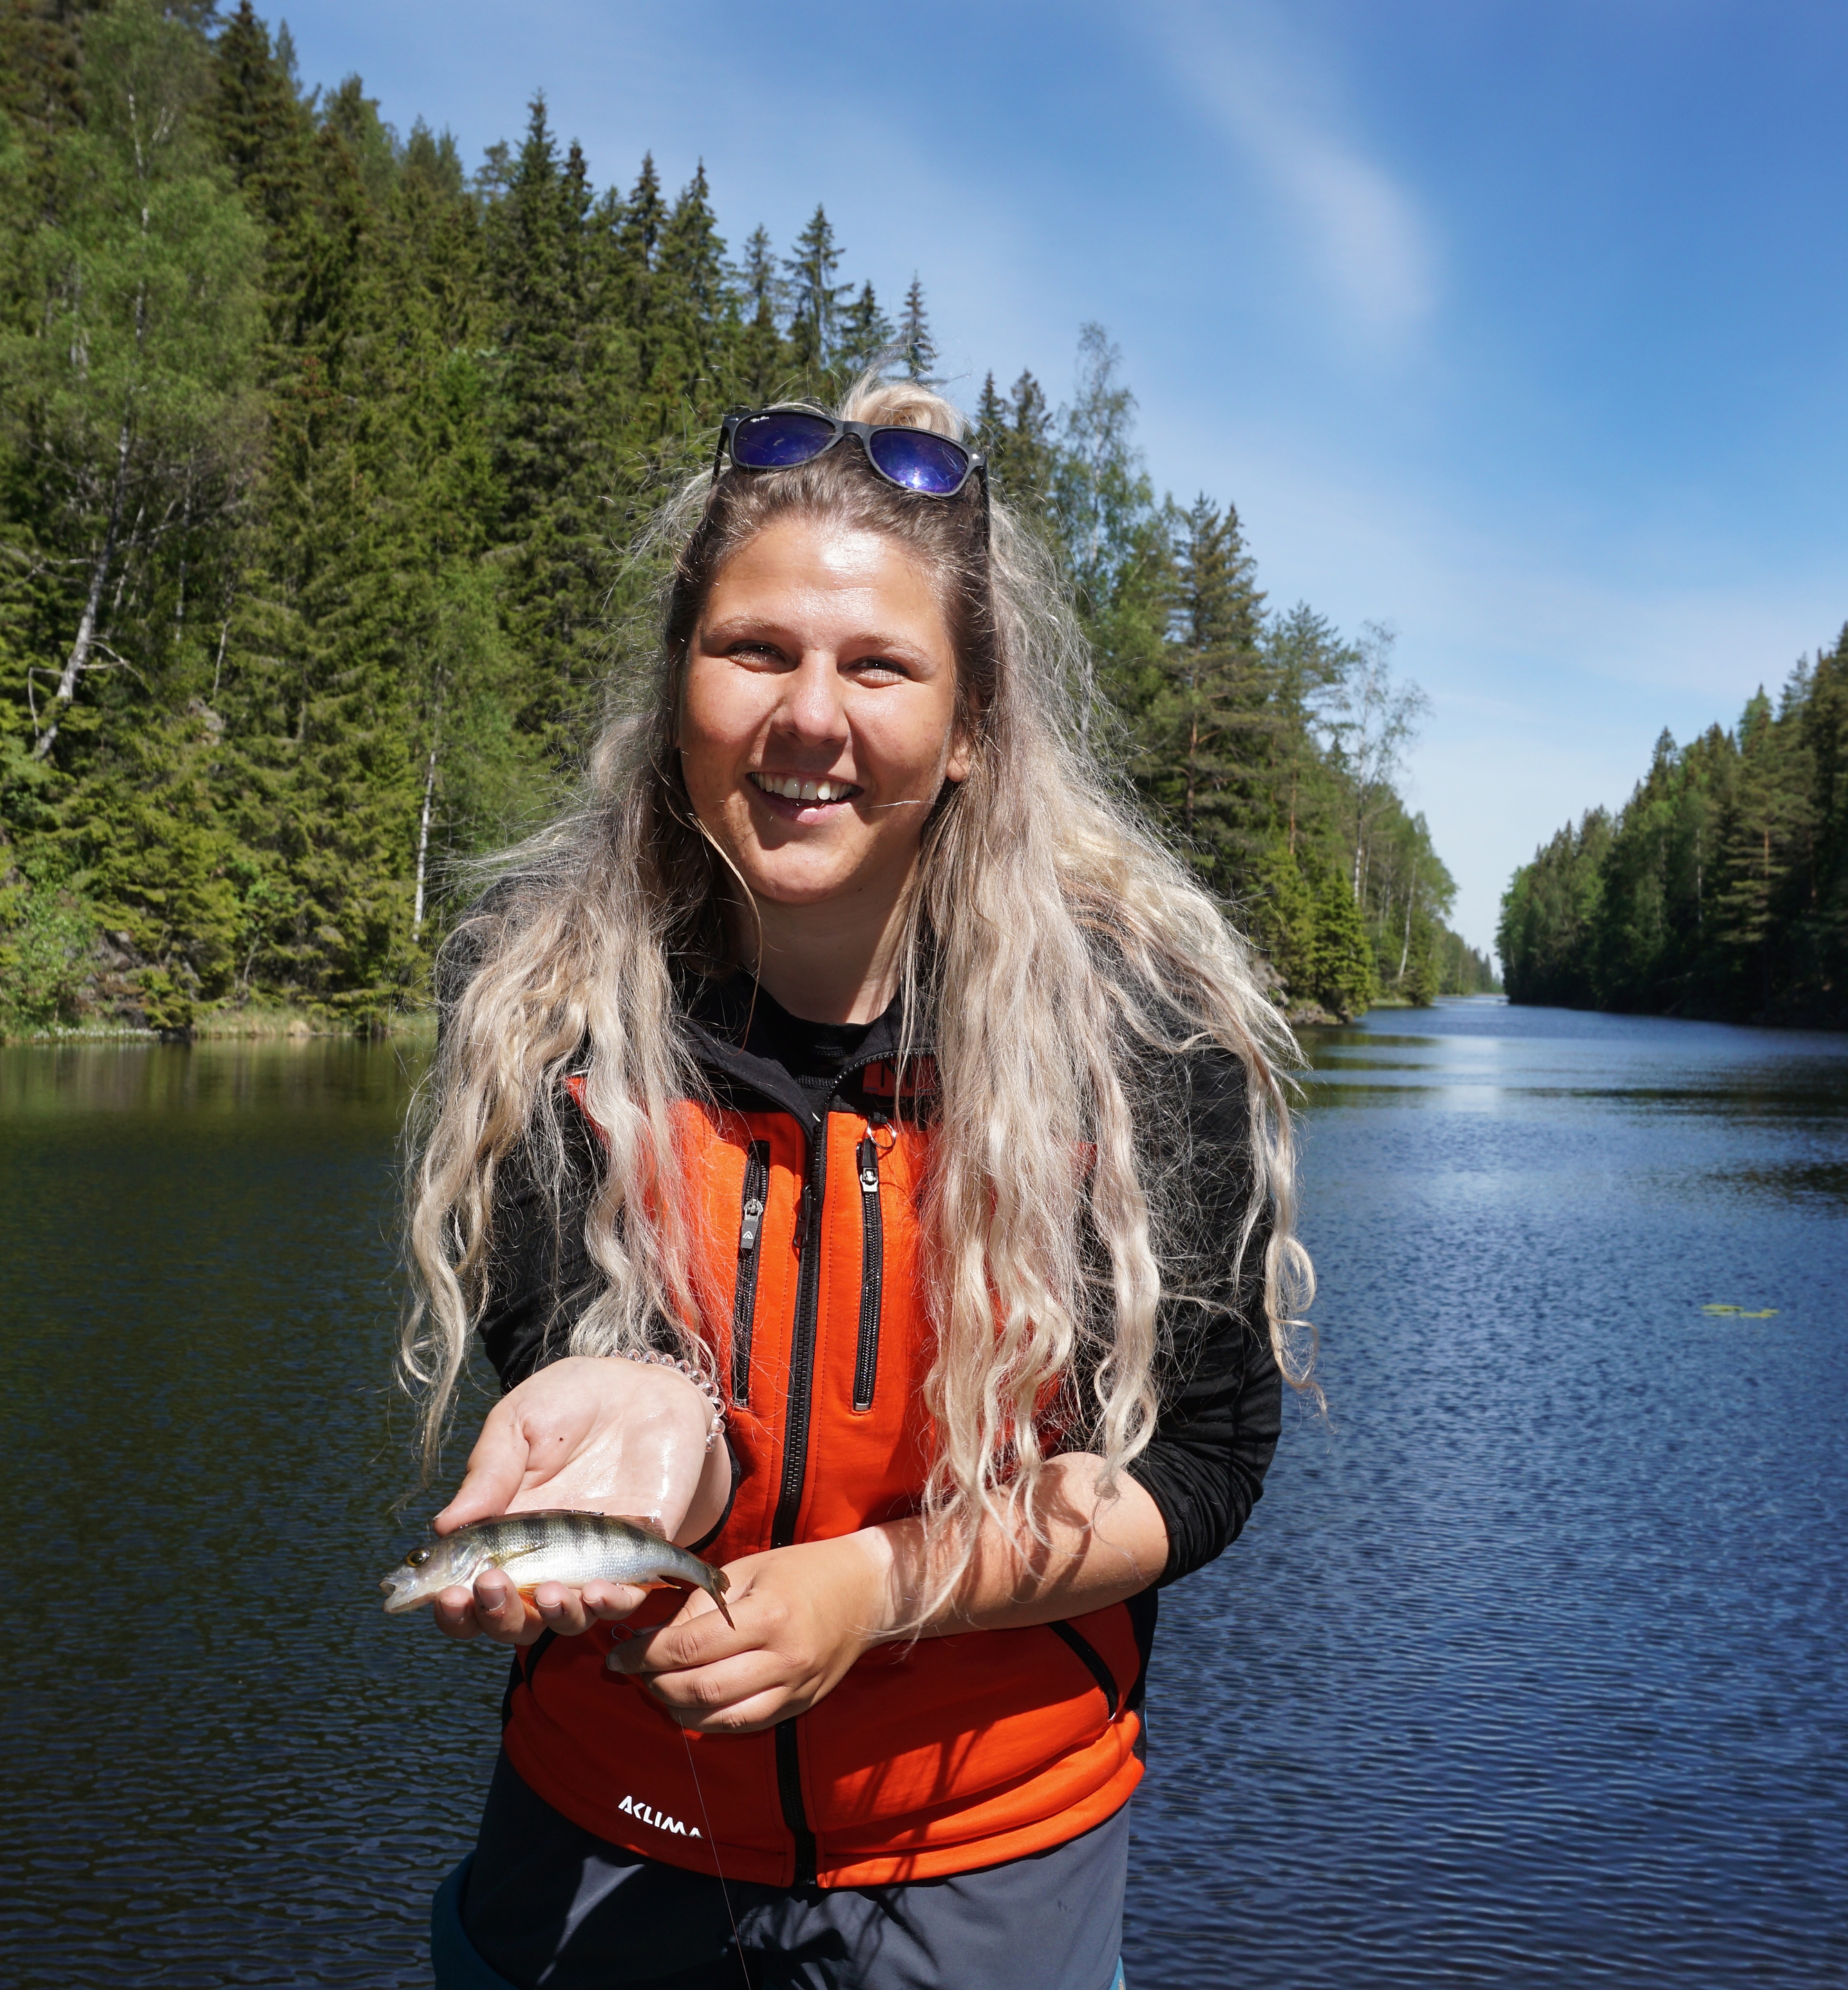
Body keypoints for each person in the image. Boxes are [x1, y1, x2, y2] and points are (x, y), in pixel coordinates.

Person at [400, 372, 1310, 1990]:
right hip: (599, 1816)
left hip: (988, 1860)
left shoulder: (1140, 1036)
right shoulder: (544, 1000)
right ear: (680, 683)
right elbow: (575, 1351)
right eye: (754, 650)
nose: (808, 716)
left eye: (878, 666)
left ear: (970, 732)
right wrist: (649, 1429)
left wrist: (874, 1588)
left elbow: (1208, 1462)